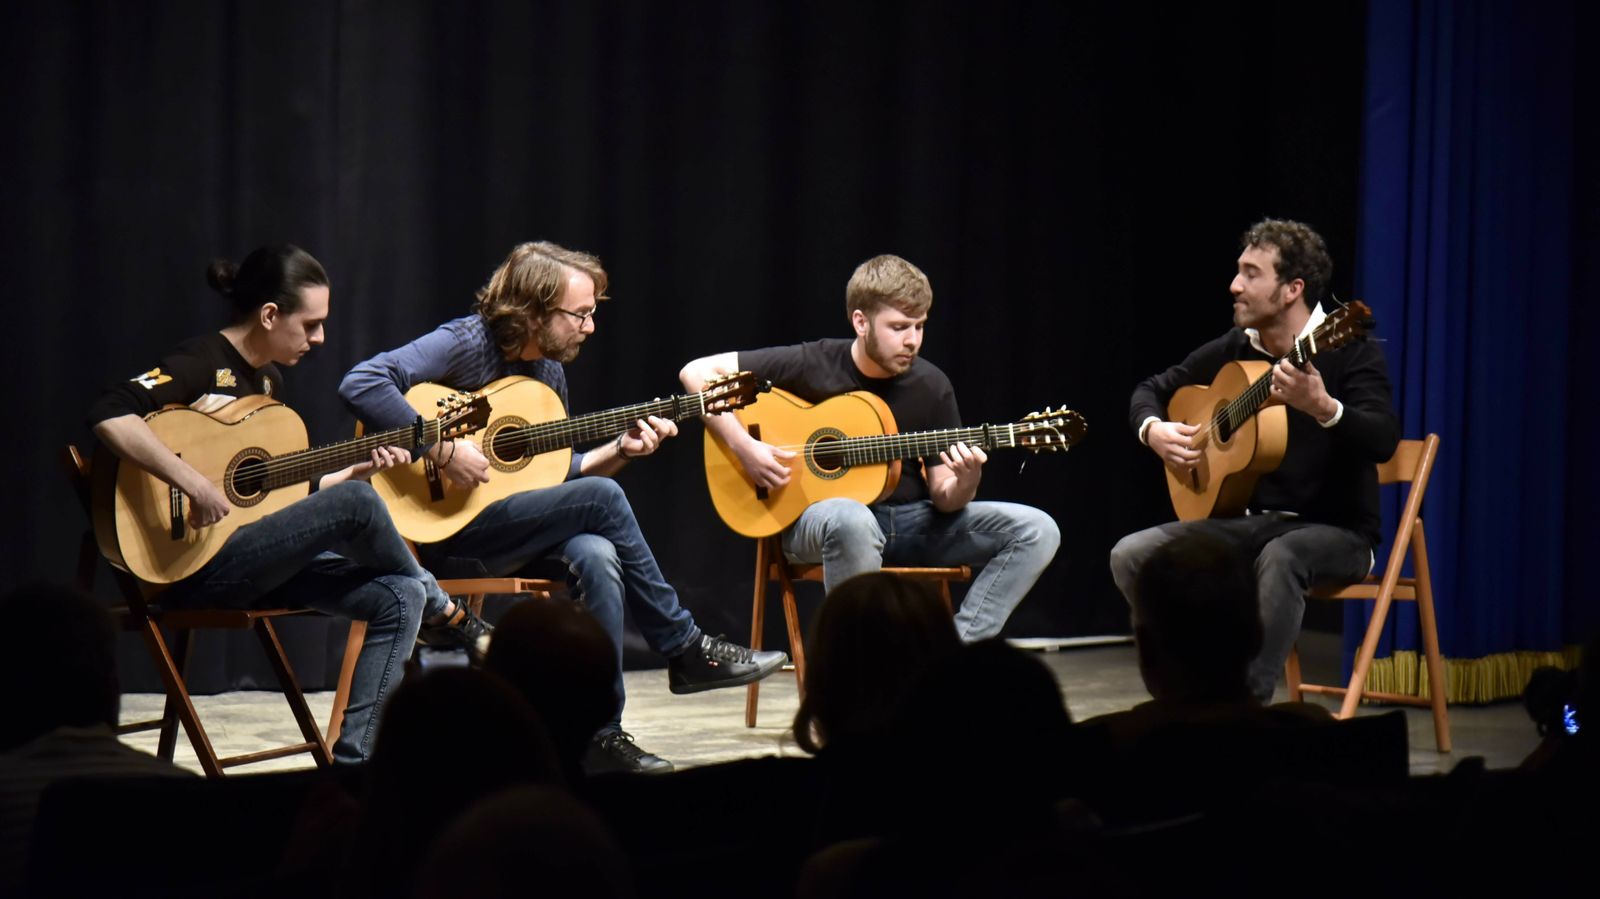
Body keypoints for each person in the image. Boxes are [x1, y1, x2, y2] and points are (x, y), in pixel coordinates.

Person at [339, 240, 786, 774]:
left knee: (597, 551)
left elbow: (558, 476)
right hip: (442, 535)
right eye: (581, 314)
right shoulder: (463, 343)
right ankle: (685, 646)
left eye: (593, 313)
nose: (590, 327)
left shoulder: (548, 373)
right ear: (532, 311)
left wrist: (619, 450)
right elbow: (362, 381)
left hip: (510, 530)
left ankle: (599, 734)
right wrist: (440, 446)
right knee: (602, 502)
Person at [85, 244, 484, 764]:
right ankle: (446, 611)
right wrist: (191, 481)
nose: (319, 338)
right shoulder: (199, 361)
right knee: (359, 505)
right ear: (270, 314)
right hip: (194, 570)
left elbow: (276, 498)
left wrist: (351, 470)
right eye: (311, 324)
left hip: (258, 558)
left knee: (399, 594)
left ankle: (354, 770)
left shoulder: (271, 381)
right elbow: (109, 411)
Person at [679, 254, 1060, 641]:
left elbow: (945, 499)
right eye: (898, 327)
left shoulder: (932, 386)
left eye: (920, 326)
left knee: (1037, 530)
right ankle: (865, 668)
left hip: (910, 523)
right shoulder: (814, 363)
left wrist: (967, 478)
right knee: (852, 518)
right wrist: (745, 447)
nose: (912, 340)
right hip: (820, 522)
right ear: (861, 322)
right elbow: (695, 373)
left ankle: (954, 656)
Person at [1109, 218, 1400, 702]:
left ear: (1292, 289)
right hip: (1253, 526)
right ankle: (1186, 688)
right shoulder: (1239, 346)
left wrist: (1323, 407)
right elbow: (1152, 389)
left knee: (1282, 556)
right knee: (1132, 555)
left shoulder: (1348, 348)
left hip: (1339, 532)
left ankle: (1246, 707)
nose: (1234, 285)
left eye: (1250, 273)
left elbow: (1384, 439)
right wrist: (1153, 430)